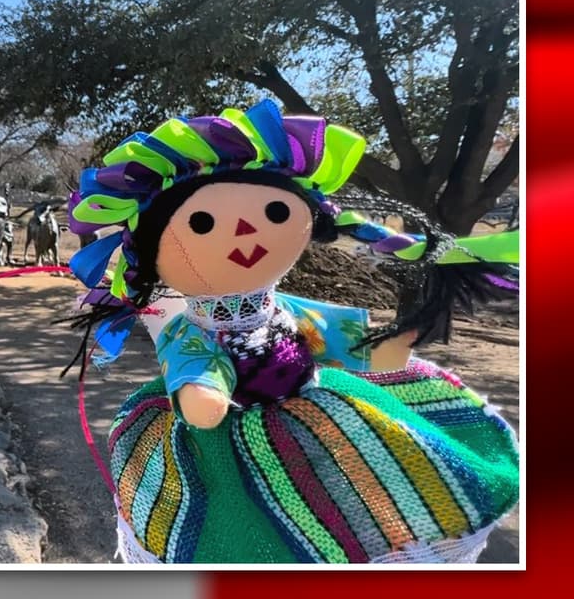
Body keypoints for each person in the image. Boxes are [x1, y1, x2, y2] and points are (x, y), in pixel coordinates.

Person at [65, 99, 519, 563]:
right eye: (202, 224)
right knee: (240, 524)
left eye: (276, 214)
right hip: (227, 433)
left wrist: (380, 349)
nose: (244, 231)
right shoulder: (192, 331)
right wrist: (203, 388)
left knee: (364, 495)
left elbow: (323, 337)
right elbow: (196, 367)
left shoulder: (284, 310)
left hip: (320, 405)